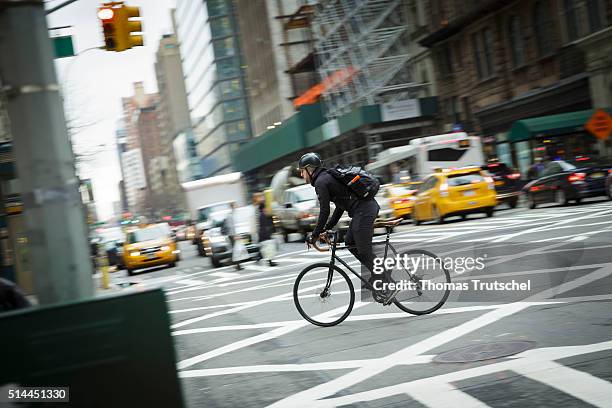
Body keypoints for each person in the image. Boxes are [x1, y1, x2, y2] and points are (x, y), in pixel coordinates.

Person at [298, 152, 383, 291]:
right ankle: (378, 274)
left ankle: (384, 278)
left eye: (302, 171)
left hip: (365, 210)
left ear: (310, 169)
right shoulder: (326, 178)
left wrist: (314, 235)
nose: (302, 175)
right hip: (363, 210)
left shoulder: (321, 182)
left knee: (363, 249)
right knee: (350, 242)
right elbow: (340, 206)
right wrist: (327, 227)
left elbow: (324, 210)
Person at [253, 193, 277, 267]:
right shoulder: (262, 215)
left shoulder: (263, 214)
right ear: (263, 209)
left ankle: (259, 258)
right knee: (268, 248)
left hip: (265, 234)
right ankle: (268, 261)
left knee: (266, 248)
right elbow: (264, 226)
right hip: (264, 234)